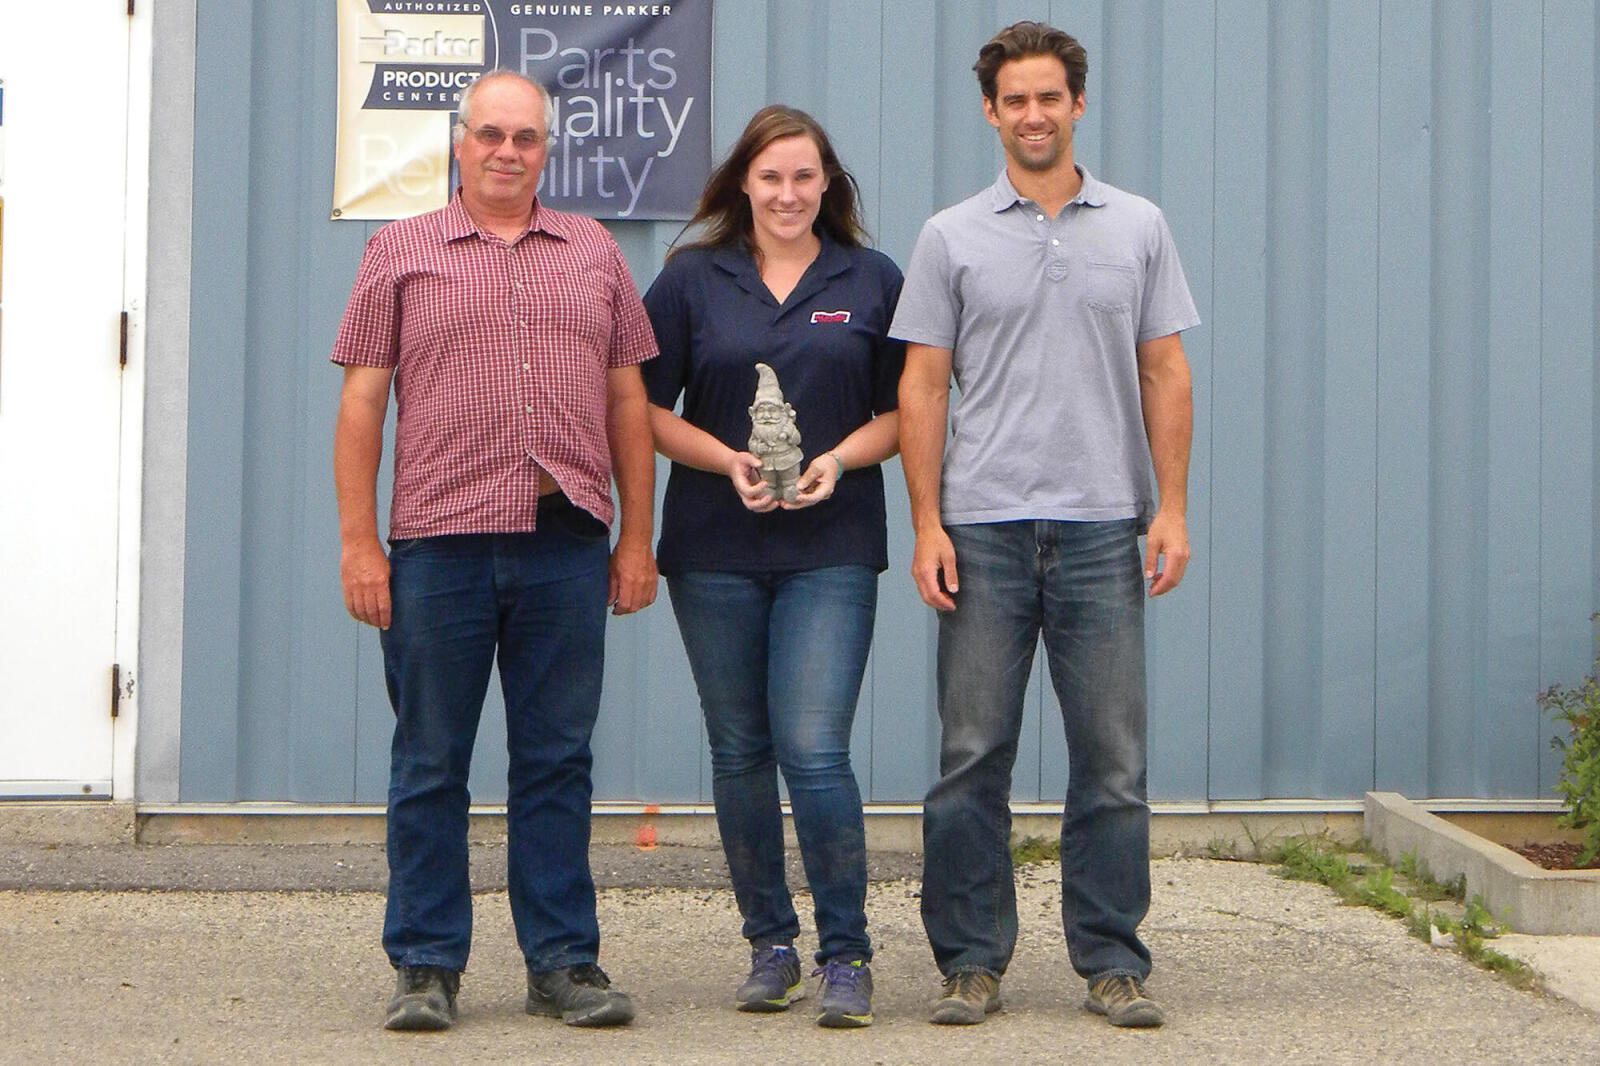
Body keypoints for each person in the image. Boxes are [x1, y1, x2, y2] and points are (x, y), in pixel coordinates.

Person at [331, 69, 658, 1033]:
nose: (508, 152)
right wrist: (360, 544)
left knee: (556, 761)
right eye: (491, 135)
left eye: (526, 138)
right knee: (431, 760)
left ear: (546, 150)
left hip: (565, 543)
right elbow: (360, 405)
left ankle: (563, 961)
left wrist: (637, 536)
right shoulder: (400, 250)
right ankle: (426, 965)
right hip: (438, 546)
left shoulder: (593, 252)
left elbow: (628, 403)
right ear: (459, 143)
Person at [892, 22, 1199, 1029]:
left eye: (1048, 97)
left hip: (1104, 528)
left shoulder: (1140, 226)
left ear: (1077, 105)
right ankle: (970, 962)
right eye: (1013, 99)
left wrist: (1173, 508)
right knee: (971, 754)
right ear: (990, 111)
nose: (1032, 114)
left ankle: (1112, 960)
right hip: (980, 527)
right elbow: (923, 384)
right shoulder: (949, 236)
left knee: (1112, 757)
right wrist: (926, 522)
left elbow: (1164, 368)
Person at [640, 105, 905, 1028]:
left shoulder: (870, 279)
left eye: (804, 177)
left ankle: (846, 955)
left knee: (815, 748)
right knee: (741, 751)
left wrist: (838, 460)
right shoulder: (688, 280)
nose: (788, 194)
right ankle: (771, 946)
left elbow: (907, 412)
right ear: (742, 185)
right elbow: (637, 407)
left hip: (830, 548)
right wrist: (727, 461)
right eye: (770, 178)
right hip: (714, 549)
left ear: (826, 182)